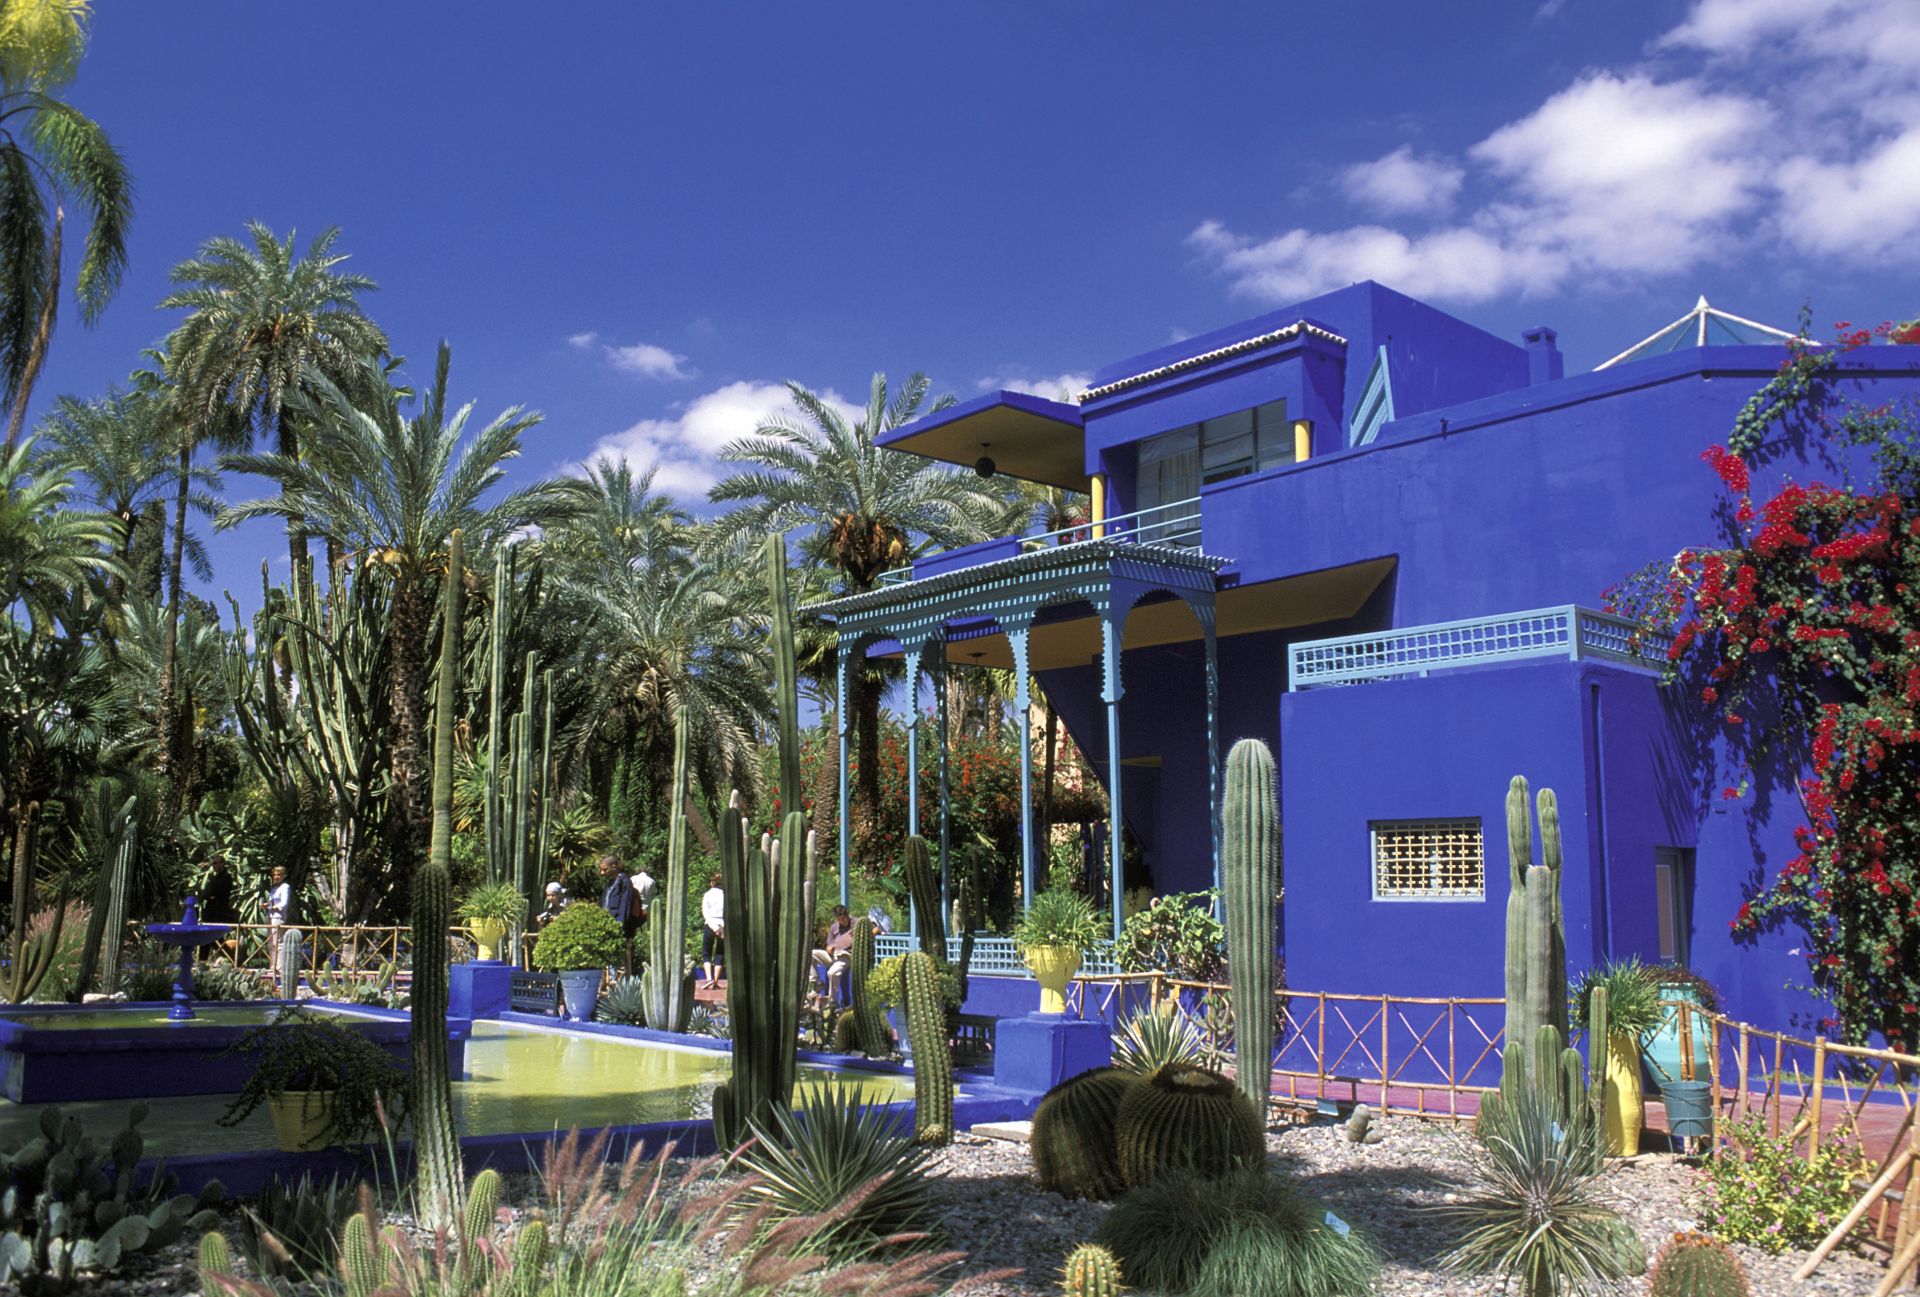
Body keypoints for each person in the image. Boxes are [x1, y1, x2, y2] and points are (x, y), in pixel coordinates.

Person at [599, 855, 637, 973]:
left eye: (605, 869)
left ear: (614, 867)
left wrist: (619, 927)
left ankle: (620, 986)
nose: (601, 873)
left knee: (620, 961)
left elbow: (624, 906)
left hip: (618, 928)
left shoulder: (624, 882)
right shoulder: (609, 883)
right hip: (607, 926)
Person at [812, 905, 855, 1002]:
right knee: (811, 954)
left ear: (847, 915)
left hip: (845, 955)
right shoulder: (834, 927)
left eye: (843, 918)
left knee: (832, 973)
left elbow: (874, 929)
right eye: (839, 920)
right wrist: (829, 949)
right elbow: (828, 945)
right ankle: (818, 983)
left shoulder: (856, 923)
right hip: (833, 955)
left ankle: (832, 1001)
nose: (842, 921)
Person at [265, 866, 292, 975]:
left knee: (278, 942)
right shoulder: (273, 888)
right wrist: (267, 905)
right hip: (270, 916)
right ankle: (272, 966)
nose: (276, 877)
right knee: (270, 943)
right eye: (275, 875)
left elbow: (284, 903)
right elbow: (272, 902)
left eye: (279, 875)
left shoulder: (285, 887)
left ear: (283, 876)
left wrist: (273, 907)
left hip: (278, 917)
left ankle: (279, 968)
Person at [700, 872, 725, 986]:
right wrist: (720, 928)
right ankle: (715, 981)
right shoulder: (725, 895)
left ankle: (709, 978)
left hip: (710, 924)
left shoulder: (707, 895)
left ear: (712, 882)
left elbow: (705, 913)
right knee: (720, 953)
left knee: (706, 952)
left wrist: (713, 927)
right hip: (723, 925)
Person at [200, 856, 238, 926]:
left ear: (222, 863)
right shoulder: (213, 877)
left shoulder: (226, 877)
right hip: (210, 910)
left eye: (215, 863)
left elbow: (219, 892)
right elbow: (206, 894)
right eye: (212, 864)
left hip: (219, 911)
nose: (213, 865)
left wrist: (211, 896)